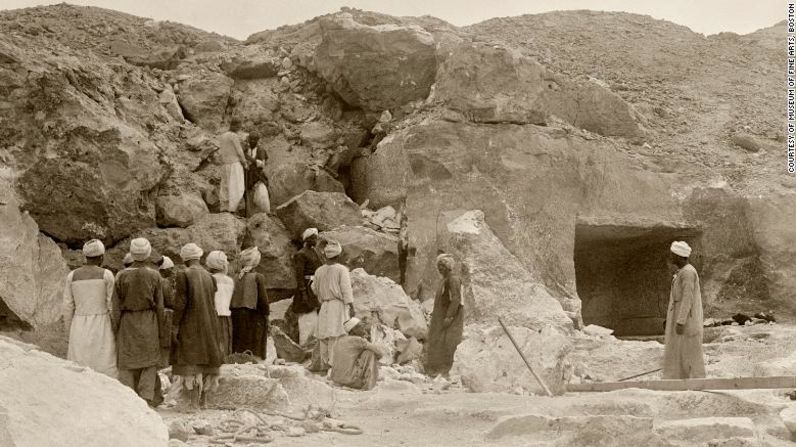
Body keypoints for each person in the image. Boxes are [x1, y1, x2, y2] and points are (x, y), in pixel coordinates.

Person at [112, 238, 164, 406]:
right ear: (148, 253)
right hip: (149, 321)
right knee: (149, 361)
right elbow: (160, 306)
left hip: (128, 321)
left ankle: (128, 397)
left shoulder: (120, 275)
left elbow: (116, 306)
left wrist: (116, 328)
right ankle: (146, 398)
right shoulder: (154, 275)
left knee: (127, 361)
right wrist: (161, 329)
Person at [172, 243, 224, 410]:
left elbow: (180, 303)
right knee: (207, 360)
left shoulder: (183, 274)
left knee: (191, 361)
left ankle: (193, 403)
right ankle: (204, 401)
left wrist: (175, 325)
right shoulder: (210, 277)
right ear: (199, 257)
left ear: (185, 259)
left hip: (190, 323)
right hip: (210, 322)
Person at [63, 239, 117, 378]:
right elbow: (111, 304)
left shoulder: (72, 276)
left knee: (79, 365)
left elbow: (68, 306)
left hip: (79, 324)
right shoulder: (107, 275)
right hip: (102, 324)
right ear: (101, 257)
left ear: (85, 256)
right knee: (104, 363)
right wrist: (115, 327)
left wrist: (69, 331)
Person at [662, 241, 706, 379]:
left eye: (673, 255)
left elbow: (688, 298)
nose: (671, 257)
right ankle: (679, 378)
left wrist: (681, 321)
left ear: (680, 256)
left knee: (690, 348)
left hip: (687, 319)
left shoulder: (687, 272)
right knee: (679, 349)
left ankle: (696, 379)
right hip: (679, 315)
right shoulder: (682, 272)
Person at [312, 240, 355, 370]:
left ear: (325, 256)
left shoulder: (319, 271)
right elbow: (346, 289)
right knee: (336, 335)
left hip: (324, 305)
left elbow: (314, 288)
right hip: (337, 305)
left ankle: (324, 364)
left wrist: (322, 298)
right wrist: (351, 305)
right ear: (338, 255)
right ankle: (334, 365)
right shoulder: (342, 270)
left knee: (324, 336)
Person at [425, 254, 464, 378]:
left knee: (448, 341)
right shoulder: (443, 280)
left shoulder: (453, 279)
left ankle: (445, 370)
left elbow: (456, 299)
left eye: (442, 265)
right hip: (440, 316)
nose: (440, 268)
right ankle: (435, 369)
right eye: (438, 266)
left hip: (450, 317)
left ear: (448, 266)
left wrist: (449, 317)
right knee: (436, 339)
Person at [230, 247, 270, 359]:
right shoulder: (258, 277)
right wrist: (266, 314)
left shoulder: (234, 277)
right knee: (253, 347)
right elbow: (263, 300)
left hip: (235, 314)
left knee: (238, 343)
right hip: (253, 315)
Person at [330, 317, 382, 390]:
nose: (364, 327)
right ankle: (368, 385)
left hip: (336, 379)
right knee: (370, 353)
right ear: (354, 330)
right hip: (350, 381)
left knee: (363, 353)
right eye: (361, 326)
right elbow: (379, 352)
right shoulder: (357, 340)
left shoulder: (340, 339)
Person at [292, 228, 323, 346]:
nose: (316, 240)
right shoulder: (301, 254)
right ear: (307, 239)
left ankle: (313, 345)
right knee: (307, 316)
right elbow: (299, 275)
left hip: (314, 287)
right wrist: (303, 292)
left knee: (315, 316)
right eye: (313, 237)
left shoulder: (315, 252)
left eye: (316, 237)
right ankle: (305, 344)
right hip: (306, 287)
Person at [216, 119, 248, 213]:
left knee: (225, 185)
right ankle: (232, 209)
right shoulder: (233, 136)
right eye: (239, 126)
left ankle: (224, 207)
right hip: (234, 164)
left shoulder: (222, 136)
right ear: (236, 126)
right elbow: (239, 151)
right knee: (237, 186)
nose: (239, 128)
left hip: (225, 164)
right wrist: (245, 163)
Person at [206, 250, 234, 358]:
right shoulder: (230, 281)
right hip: (226, 316)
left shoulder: (209, 279)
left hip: (212, 316)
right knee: (225, 344)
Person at [157, 256, 176, 367]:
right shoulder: (164, 282)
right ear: (164, 269)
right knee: (166, 343)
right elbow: (169, 301)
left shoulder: (157, 279)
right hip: (165, 316)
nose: (172, 271)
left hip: (158, 314)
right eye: (170, 269)